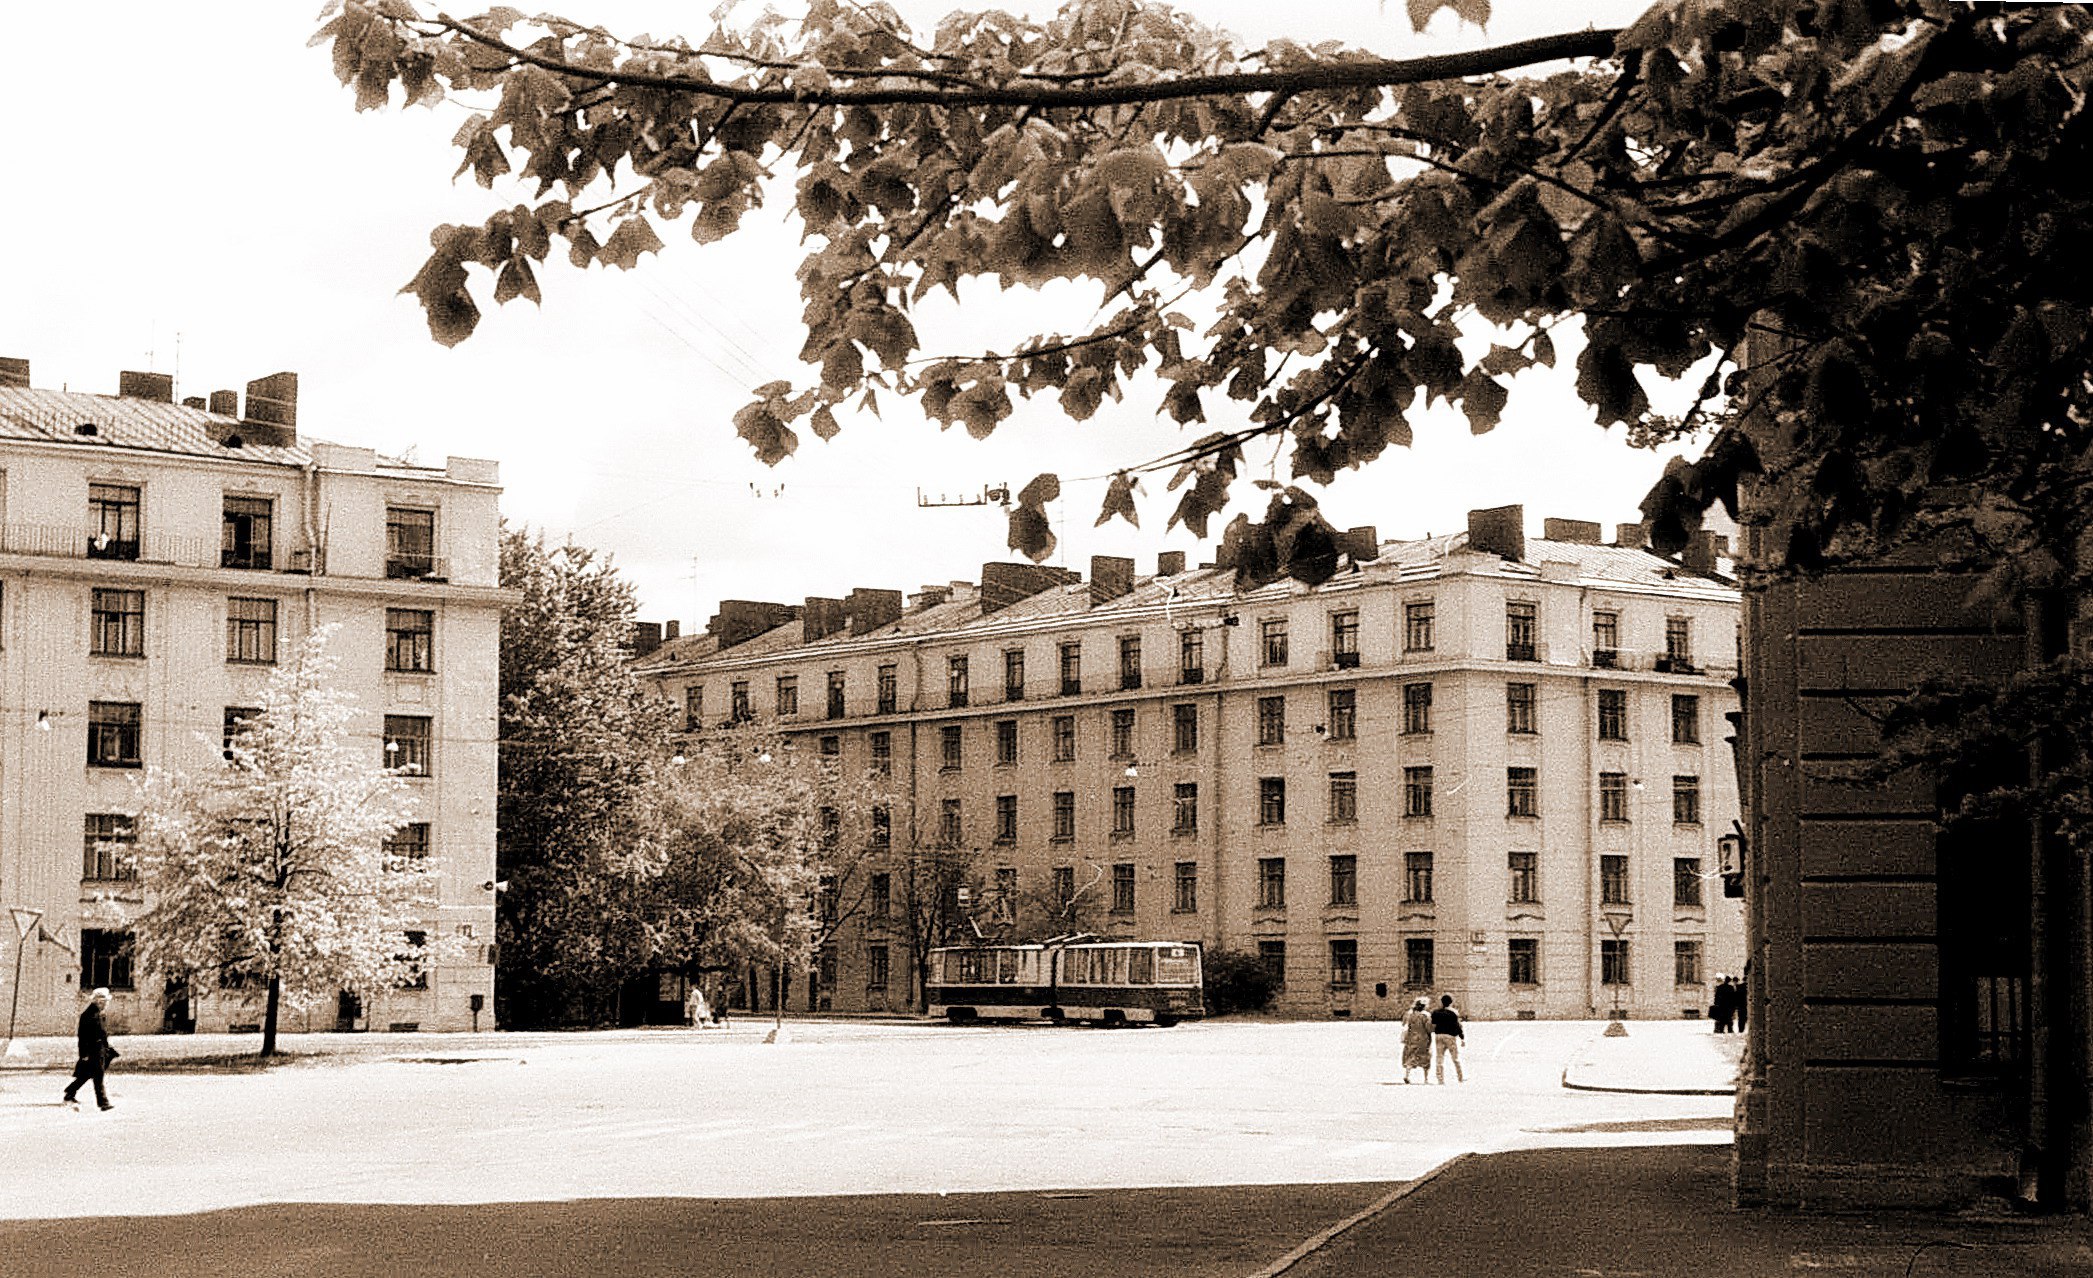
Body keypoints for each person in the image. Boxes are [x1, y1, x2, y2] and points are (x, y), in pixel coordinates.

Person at [62, 987, 117, 1111]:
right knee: (98, 1076)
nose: (106, 1004)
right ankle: (103, 1103)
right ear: (99, 1001)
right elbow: (83, 1036)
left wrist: (108, 1047)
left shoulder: (99, 1014)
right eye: (105, 1001)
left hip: (100, 1050)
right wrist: (84, 1054)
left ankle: (70, 1092)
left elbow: (103, 1034)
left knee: (87, 1074)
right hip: (93, 1051)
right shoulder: (88, 1015)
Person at [1429, 994, 1465, 1084]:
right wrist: (1462, 1038)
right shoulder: (1454, 1013)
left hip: (1439, 1036)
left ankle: (1440, 1079)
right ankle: (1460, 1077)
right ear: (1451, 1002)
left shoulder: (1435, 1012)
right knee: (1455, 1058)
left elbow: (1432, 1026)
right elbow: (1458, 1026)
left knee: (1439, 1058)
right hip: (1450, 1036)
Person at [1400, 999, 1433, 1083]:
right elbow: (1429, 1028)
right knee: (1425, 1058)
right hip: (1423, 1038)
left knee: (1411, 1056)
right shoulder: (1426, 1015)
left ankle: (1407, 1075)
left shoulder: (1410, 1014)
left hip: (1411, 1037)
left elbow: (1404, 1023)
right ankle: (1426, 1079)